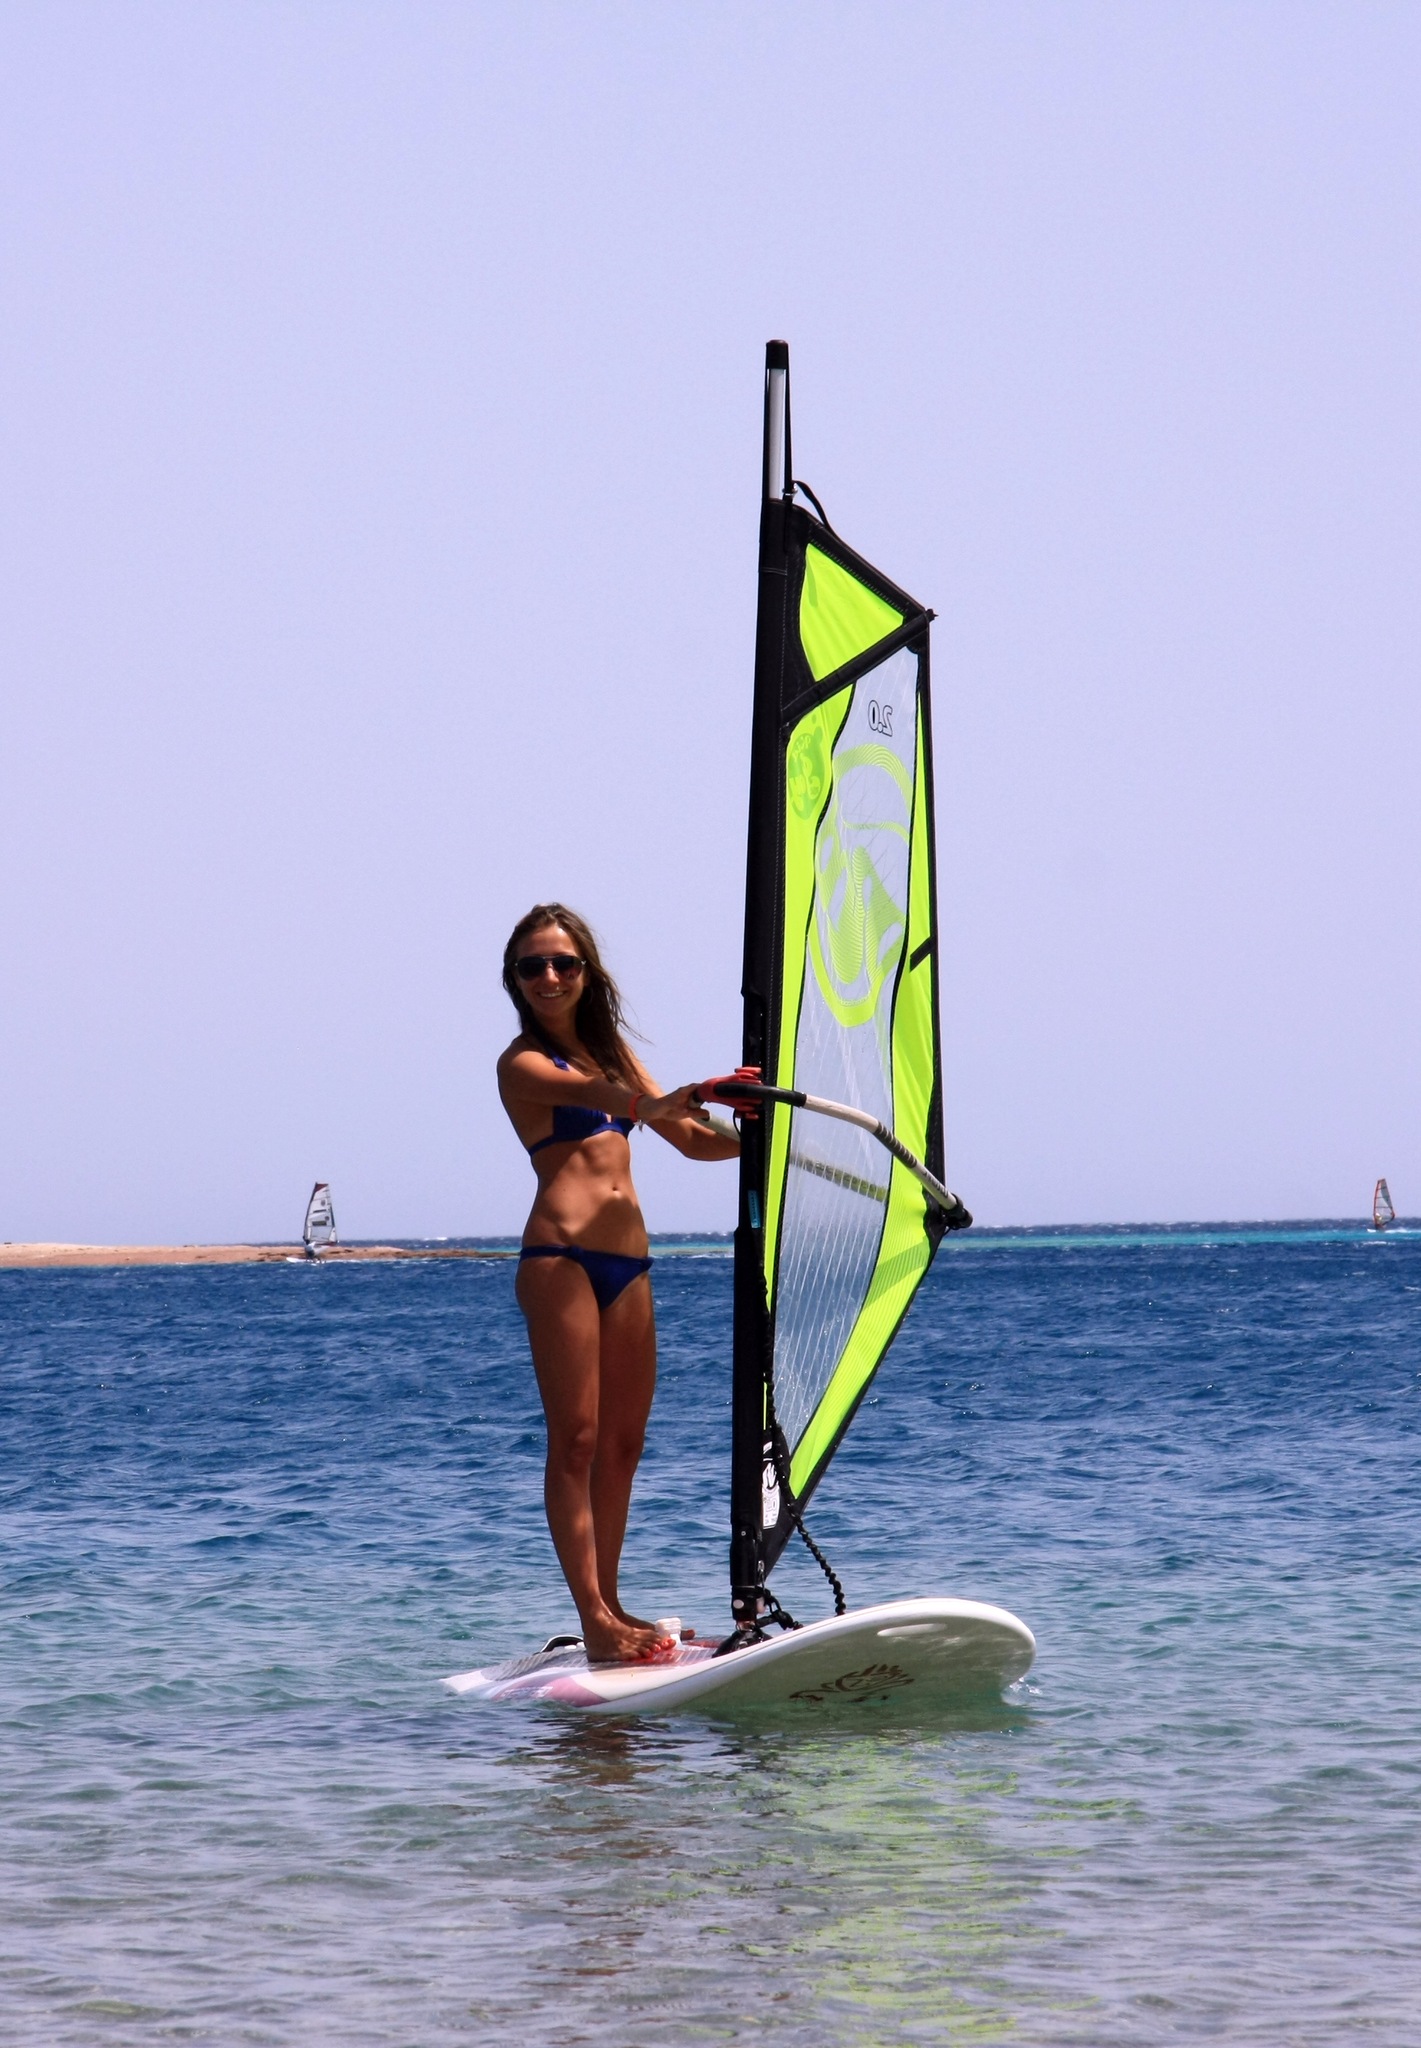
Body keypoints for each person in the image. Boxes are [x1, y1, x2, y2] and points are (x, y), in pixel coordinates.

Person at [497, 903, 739, 1664]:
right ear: (514, 979)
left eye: (562, 963)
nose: (548, 976)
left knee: (624, 1444)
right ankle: (594, 1617)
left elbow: (693, 1141)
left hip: (629, 1266)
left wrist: (756, 1130)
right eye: (532, 966)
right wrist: (655, 1100)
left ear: (587, 973)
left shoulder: (614, 1054)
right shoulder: (520, 1063)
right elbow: (603, 1101)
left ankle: (612, 1598)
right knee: (575, 1441)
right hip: (560, 1259)